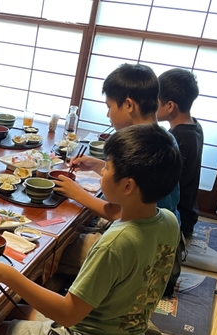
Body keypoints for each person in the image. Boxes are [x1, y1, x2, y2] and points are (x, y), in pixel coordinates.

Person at [0, 124, 182, 335]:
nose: (103, 172)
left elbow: (68, 314)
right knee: (13, 312)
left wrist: (8, 274)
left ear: (128, 186)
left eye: (108, 168)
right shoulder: (167, 220)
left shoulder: (115, 243)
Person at [54, 63, 182, 295]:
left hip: (145, 254)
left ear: (129, 104)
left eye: (109, 106)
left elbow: (120, 212)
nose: (107, 114)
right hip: (160, 240)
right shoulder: (161, 140)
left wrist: (76, 193)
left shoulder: (143, 144)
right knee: (75, 229)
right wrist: (99, 165)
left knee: (57, 248)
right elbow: (136, 181)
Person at [157, 68, 203, 239]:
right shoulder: (194, 127)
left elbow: (162, 185)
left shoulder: (178, 138)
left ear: (170, 106)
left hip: (178, 219)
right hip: (189, 211)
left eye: (156, 101)